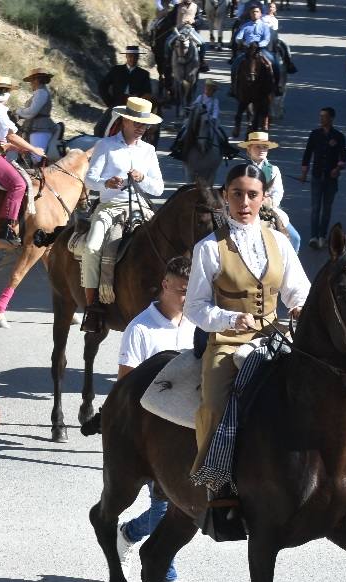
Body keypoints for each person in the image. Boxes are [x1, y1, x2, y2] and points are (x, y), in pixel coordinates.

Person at [186, 163, 310, 511]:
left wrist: (299, 308)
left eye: (252, 194)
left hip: (274, 336)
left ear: (264, 198)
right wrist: (227, 317)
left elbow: (298, 290)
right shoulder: (209, 248)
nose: (244, 202)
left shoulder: (280, 243)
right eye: (237, 194)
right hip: (227, 341)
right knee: (213, 405)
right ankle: (215, 483)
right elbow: (195, 307)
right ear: (225, 196)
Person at [116, 257, 199, 582]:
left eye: (191, 291)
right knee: (168, 508)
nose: (186, 298)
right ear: (164, 286)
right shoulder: (140, 329)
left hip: (193, 431)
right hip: (153, 438)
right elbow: (126, 384)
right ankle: (167, 579)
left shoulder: (199, 322)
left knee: (189, 507)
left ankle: (129, 533)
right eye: (181, 291)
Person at [80, 97, 165, 333]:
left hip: (141, 208)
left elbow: (158, 188)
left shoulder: (149, 151)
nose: (141, 128)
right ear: (125, 120)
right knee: (92, 248)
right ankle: (92, 307)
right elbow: (89, 180)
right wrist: (106, 182)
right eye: (137, 123)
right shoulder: (105, 145)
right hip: (110, 208)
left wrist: (143, 178)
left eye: (145, 124)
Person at [0, 75, 47, 247]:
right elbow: (11, 135)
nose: (9, 95)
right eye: (7, 92)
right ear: (2, 93)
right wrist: (33, 149)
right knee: (19, 184)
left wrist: (16, 148)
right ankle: (6, 226)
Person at [238, 131, 300, 251]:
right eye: (257, 146)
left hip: (269, 209)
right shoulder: (241, 170)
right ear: (249, 150)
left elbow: (278, 192)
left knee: (295, 238)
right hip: (245, 208)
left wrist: (267, 202)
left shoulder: (273, 170)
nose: (262, 150)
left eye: (265, 147)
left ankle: (290, 265)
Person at [299, 107, 346, 249]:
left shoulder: (339, 136)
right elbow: (307, 155)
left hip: (331, 180)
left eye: (324, 116)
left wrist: (337, 169)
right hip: (316, 177)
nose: (321, 119)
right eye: (320, 116)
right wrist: (303, 174)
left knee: (326, 209)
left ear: (331, 118)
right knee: (315, 208)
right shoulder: (314, 135)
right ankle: (313, 236)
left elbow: (343, 157)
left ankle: (322, 236)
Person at [231, 5, 277, 90]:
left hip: (260, 49)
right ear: (250, 14)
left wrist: (259, 45)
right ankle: (233, 86)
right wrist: (245, 43)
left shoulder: (264, 26)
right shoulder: (245, 26)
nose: (255, 13)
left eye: (257, 12)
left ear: (260, 14)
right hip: (248, 49)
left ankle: (276, 85)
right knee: (235, 64)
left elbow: (266, 39)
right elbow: (238, 37)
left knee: (273, 62)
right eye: (253, 12)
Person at [18, 67, 58, 165]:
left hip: (40, 128)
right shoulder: (39, 92)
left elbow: (32, 111)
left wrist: (18, 112)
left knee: (37, 158)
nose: (30, 83)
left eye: (31, 80)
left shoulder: (41, 93)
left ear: (37, 80)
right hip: (34, 126)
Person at [98, 45, 153, 109]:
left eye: (135, 57)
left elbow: (147, 92)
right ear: (126, 56)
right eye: (130, 56)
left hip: (135, 106)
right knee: (106, 118)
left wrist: (138, 98)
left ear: (138, 58)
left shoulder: (144, 74)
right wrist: (109, 101)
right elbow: (102, 85)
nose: (132, 59)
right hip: (116, 104)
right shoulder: (116, 70)